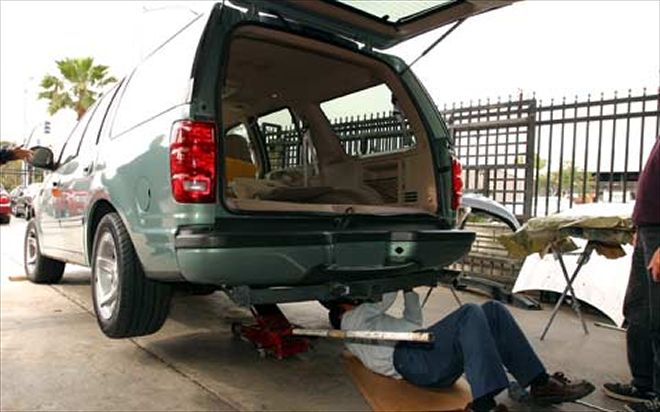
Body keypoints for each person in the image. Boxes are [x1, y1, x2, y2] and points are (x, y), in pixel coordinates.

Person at [333, 290, 595, 412]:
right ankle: (482, 406)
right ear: (343, 308)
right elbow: (382, 298)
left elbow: (413, 322)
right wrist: (398, 275)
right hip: (413, 362)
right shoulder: (350, 325)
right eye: (351, 300)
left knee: (491, 310)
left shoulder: (372, 324)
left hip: (425, 356)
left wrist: (410, 290)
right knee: (469, 312)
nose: (357, 299)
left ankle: (539, 383)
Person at [604, 138, 660, 412]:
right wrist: (639, 226)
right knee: (638, 309)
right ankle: (643, 383)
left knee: (659, 316)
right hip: (648, 229)